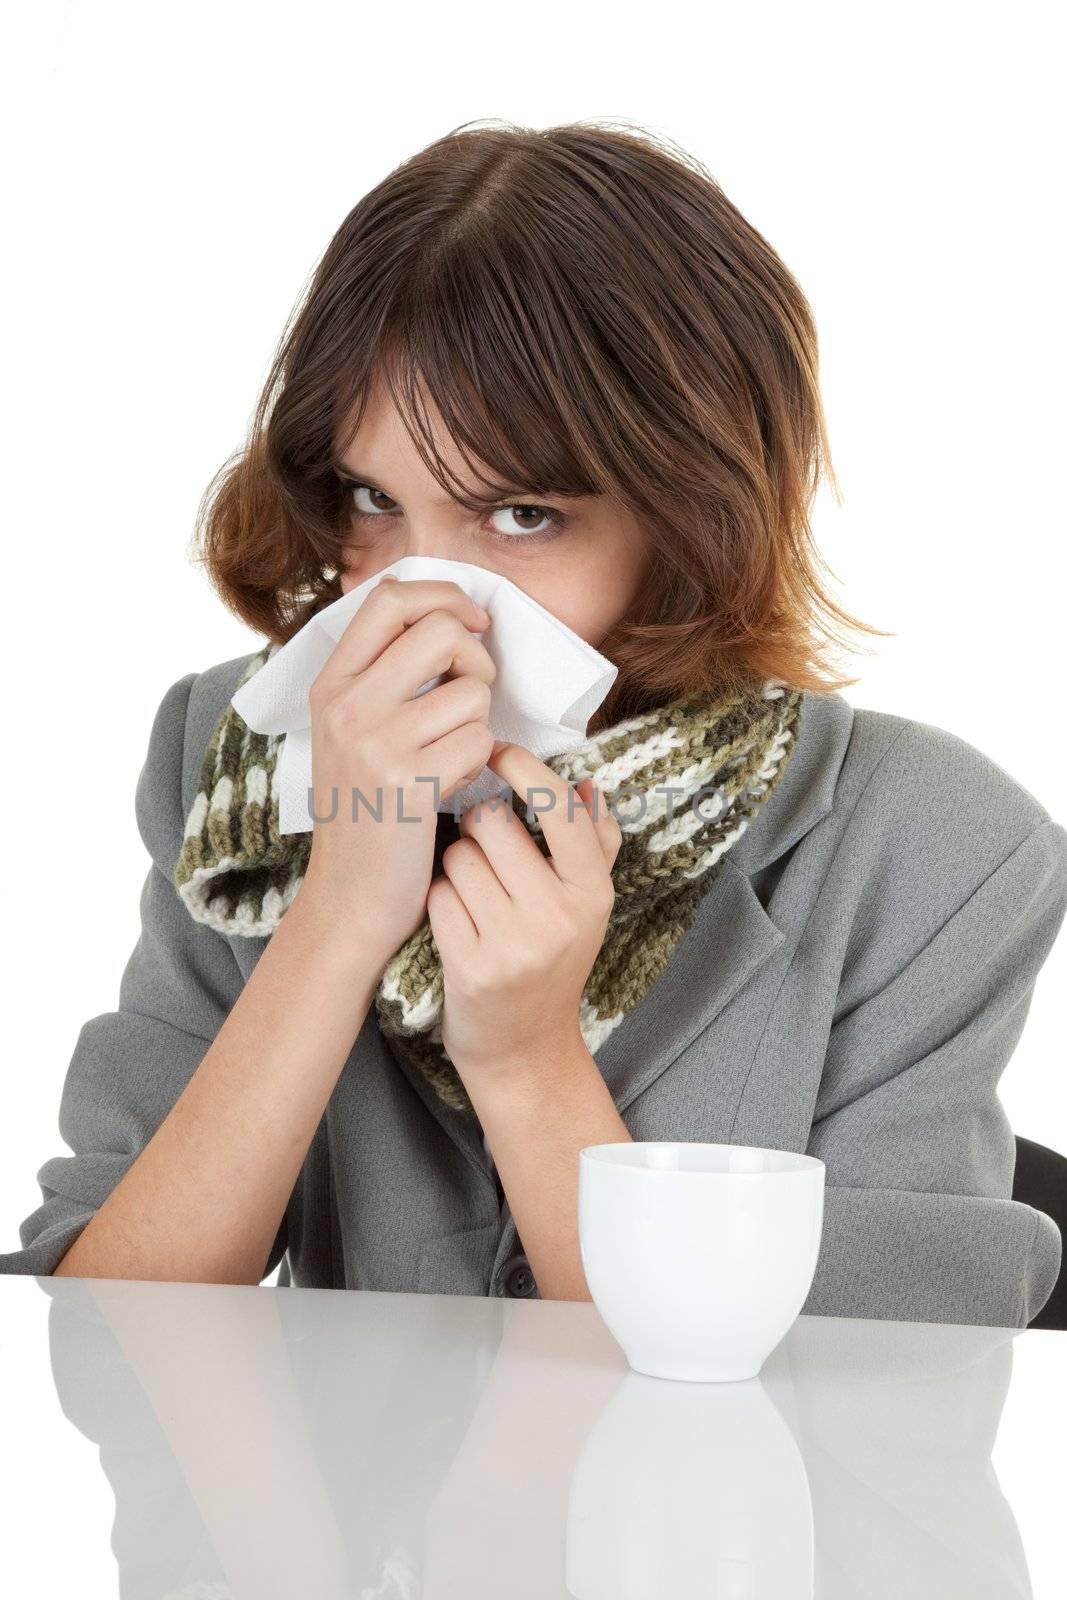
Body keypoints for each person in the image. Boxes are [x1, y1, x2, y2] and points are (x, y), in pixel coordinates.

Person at [3, 120, 1065, 1327]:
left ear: (688, 518)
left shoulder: (937, 850)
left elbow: (864, 1425)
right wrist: (340, 915)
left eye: (519, 514)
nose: (424, 596)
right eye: (371, 499)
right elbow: (89, 1343)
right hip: (340, 1522)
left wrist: (524, 1059)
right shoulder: (240, 758)